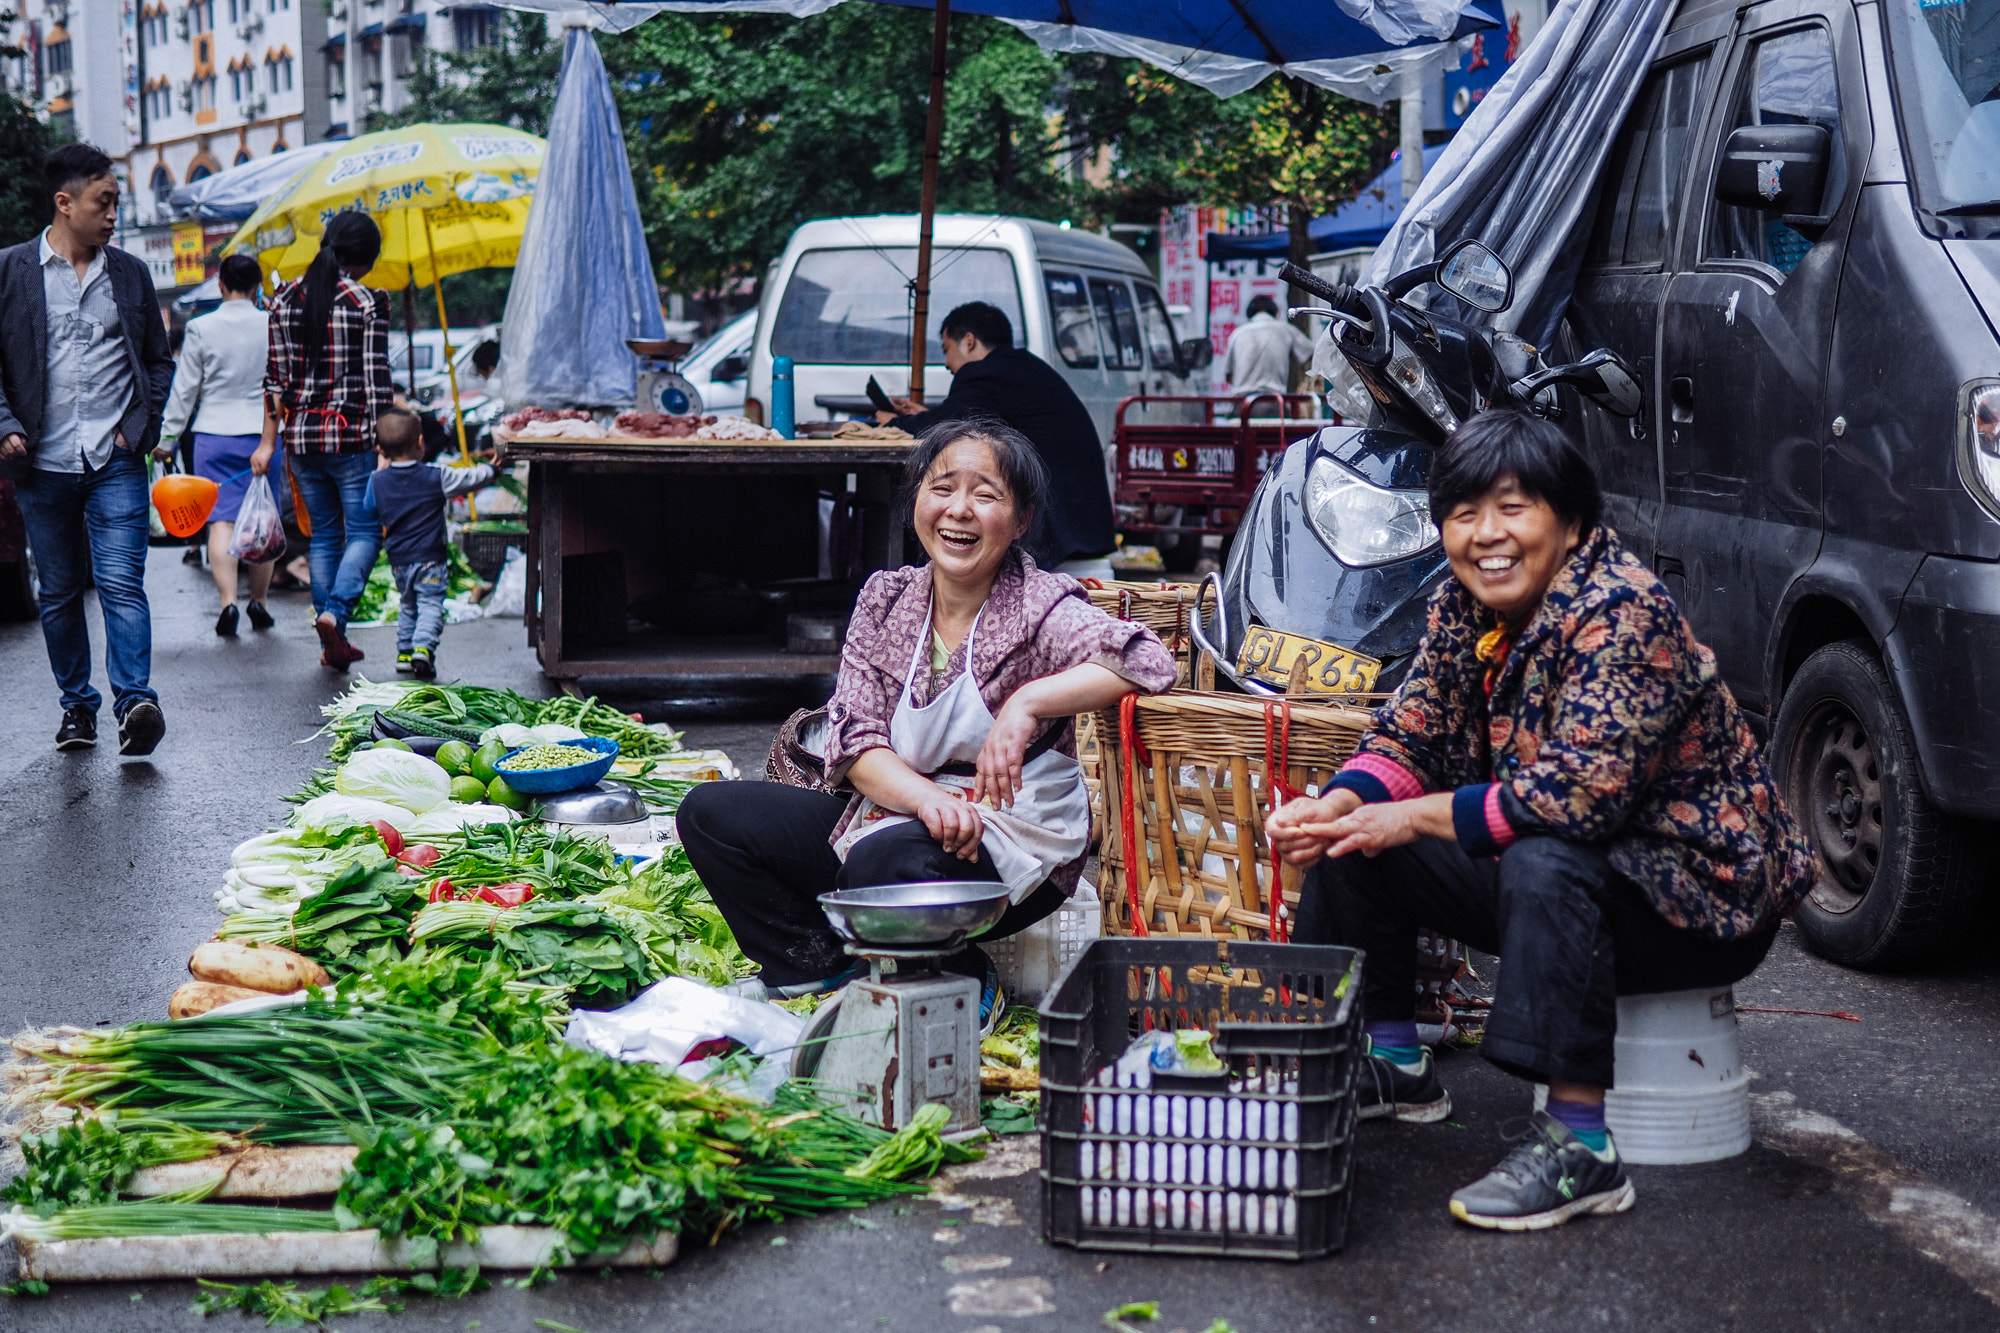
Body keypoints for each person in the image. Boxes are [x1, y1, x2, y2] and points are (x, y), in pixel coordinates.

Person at [1267, 410, 1814, 1232]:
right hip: (1584, 874)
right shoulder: (1466, 606)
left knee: (1542, 850)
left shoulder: (1625, 611)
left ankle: (1579, 1144)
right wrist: (1342, 801)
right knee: (1357, 833)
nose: (1486, 534)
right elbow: (1412, 727)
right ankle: (1393, 1061)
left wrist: (1407, 817)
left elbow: (1577, 797)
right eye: (1462, 512)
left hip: (1702, 901)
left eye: (1513, 507)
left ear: (1569, 518)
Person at [678, 417, 1176, 1023]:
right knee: (712, 816)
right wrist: (924, 801)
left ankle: (963, 976)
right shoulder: (887, 600)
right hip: (900, 813)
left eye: (986, 495)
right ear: (917, 498)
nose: (958, 511)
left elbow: (1148, 661)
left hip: (1015, 842)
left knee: (880, 866)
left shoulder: (1039, 604)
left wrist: (1027, 704)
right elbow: (856, 740)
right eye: (942, 487)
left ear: (1019, 520)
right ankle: (811, 964)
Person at [0, 143, 174, 755]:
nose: (113, 215)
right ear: (64, 202)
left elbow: (157, 359)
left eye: (117, 203)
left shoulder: (129, 273)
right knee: (61, 592)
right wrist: (3, 423)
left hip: (114, 459)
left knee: (123, 581)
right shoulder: (11, 271)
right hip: (40, 464)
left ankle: (135, 703)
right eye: (103, 203)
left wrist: (140, 427)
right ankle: (77, 707)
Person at [877, 302, 1116, 575]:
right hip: (1081, 519)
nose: (947, 364)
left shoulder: (987, 374)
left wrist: (894, 423)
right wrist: (927, 415)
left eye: (947, 350)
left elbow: (940, 426)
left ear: (968, 342)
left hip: (1059, 524)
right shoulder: (1019, 368)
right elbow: (957, 415)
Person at [253, 211, 395, 670]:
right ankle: (335, 613)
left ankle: (331, 639)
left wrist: (269, 443)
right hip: (350, 437)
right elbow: (377, 385)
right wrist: (386, 445)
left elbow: (273, 383)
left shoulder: (283, 300)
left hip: (300, 441)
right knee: (366, 531)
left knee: (325, 536)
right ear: (365, 258)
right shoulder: (365, 303)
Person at [161, 253, 282, 636]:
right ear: (257, 286)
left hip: (212, 435)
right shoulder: (272, 324)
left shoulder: (200, 328)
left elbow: (185, 390)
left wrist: (166, 438)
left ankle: (228, 602)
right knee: (261, 521)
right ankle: (259, 602)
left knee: (221, 521)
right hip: (263, 435)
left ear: (221, 285)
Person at [364, 406, 496, 679]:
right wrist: (491, 470)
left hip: (399, 561)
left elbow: (368, 508)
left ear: (381, 450)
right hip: (431, 559)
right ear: (421, 443)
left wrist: (380, 471)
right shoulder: (436, 475)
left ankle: (404, 654)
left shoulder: (377, 481)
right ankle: (423, 648)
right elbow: (470, 479)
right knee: (431, 604)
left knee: (408, 604)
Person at [1220, 294, 1314, 405]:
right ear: (1276, 314)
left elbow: (1228, 375)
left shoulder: (1237, 333)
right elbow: (1311, 353)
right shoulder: (1285, 329)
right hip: (1274, 402)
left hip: (1242, 404)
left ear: (1249, 316)